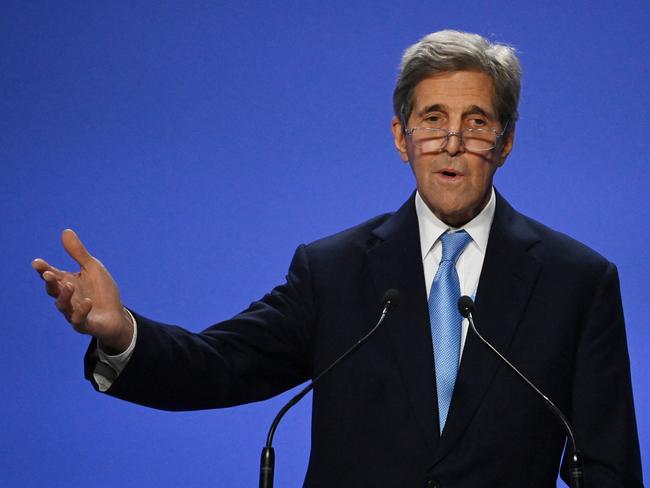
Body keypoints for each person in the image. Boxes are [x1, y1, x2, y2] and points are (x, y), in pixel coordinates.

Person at [33, 30, 643, 487]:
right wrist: (120, 334)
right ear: (401, 138)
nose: (452, 143)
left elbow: (608, 465)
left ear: (506, 142)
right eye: (432, 120)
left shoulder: (577, 281)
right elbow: (222, 364)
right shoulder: (333, 272)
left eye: (476, 122)